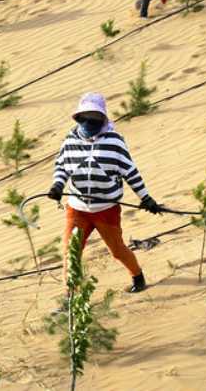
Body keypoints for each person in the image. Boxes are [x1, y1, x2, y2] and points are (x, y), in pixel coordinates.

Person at [47, 92, 164, 294]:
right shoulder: (69, 141)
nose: (89, 121)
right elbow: (62, 166)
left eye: (94, 117)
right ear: (78, 117)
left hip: (106, 209)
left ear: (102, 118)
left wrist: (146, 198)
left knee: (117, 250)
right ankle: (70, 297)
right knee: (70, 253)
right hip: (77, 209)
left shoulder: (115, 141)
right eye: (84, 117)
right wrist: (57, 186)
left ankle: (138, 277)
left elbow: (130, 172)